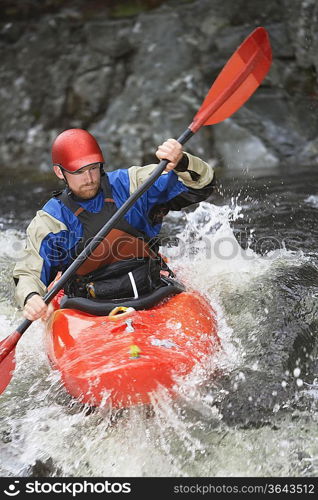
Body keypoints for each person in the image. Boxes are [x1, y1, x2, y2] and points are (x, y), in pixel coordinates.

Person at [13, 128, 215, 321]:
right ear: (59, 172)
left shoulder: (132, 184)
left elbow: (202, 185)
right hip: (89, 310)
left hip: (155, 294)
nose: (90, 178)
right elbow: (28, 273)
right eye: (80, 171)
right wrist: (31, 297)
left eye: (94, 168)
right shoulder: (51, 220)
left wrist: (182, 162)